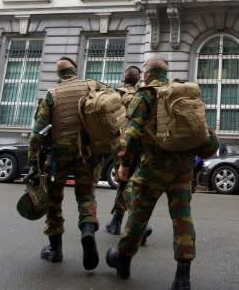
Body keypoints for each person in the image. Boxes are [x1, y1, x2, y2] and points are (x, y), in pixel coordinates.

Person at [105, 55, 219, 289]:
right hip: (183, 168)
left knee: (139, 212)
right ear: (166, 74)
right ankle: (183, 276)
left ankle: (123, 259)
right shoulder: (182, 92)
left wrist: (125, 163)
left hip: (154, 167)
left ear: (147, 74)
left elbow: (132, 132)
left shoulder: (145, 94)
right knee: (182, 217)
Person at [25, 56, 101, 271]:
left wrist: (32, 162)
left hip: (57, 157)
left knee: (53, 199)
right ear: (74, 70)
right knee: (86, 195)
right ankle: (87, 232)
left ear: (59, 75)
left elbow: (37, 134)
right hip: (85, 153)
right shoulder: (91, 86)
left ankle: (55, 250)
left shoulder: (52, 94)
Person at [105, 66, 152, 247]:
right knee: (127, 182)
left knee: (125, 182)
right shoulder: (143, 94)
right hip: (141, 147)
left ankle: (141, 224)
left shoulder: (116, 95)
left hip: (122, 144)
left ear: (124, 79)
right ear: (139, 78)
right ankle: (116, 223)